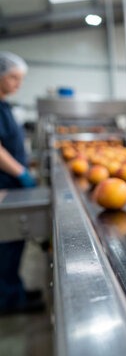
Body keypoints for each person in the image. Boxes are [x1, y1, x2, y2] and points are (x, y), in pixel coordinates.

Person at [0, 52, 43, 315]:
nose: (18, 83)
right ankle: (8, 300)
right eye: (14, 77)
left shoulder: (4, 105)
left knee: (16, 242)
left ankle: (14, 289)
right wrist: (21, 172)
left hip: (12, 182)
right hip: (5, 185)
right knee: (5, 243)